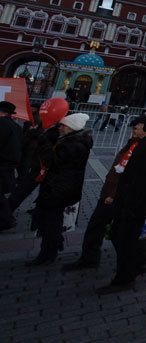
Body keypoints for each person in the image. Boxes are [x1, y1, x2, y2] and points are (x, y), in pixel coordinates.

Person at [63, 120, 146, 270]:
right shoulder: (133, 142)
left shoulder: (142, 147)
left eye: (137, 127)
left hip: (115, 196)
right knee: (105, 229)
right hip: (112, 192)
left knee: (104, 228)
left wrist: (113, 194)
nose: (133, 130)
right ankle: (91, 258)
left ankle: (140, 259)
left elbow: (130, 176)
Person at [97, 113, 146, 294]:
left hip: (135, 206)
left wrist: (131, 206)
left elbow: (143, 182)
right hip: (131, 203)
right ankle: (132, 268)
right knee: (121, 237)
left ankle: (125, 277)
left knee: (125, 241)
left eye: (139, 126)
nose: (135, 129)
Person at [28, 113, 93, 265]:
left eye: (63, 125)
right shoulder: (73, 140)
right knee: (52, 219)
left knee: (51, 221)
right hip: (60, 186)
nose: (60, 128)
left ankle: (48, 252)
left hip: (59, 188)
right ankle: (54, 244)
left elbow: (52, 161)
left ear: (71, 128)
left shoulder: (73, 144)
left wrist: (44, 144)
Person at [0, 101, 24, 231]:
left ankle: (7, 220)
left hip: (2, 163)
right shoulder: (16, 126)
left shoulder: (2, 123)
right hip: (10, 164)